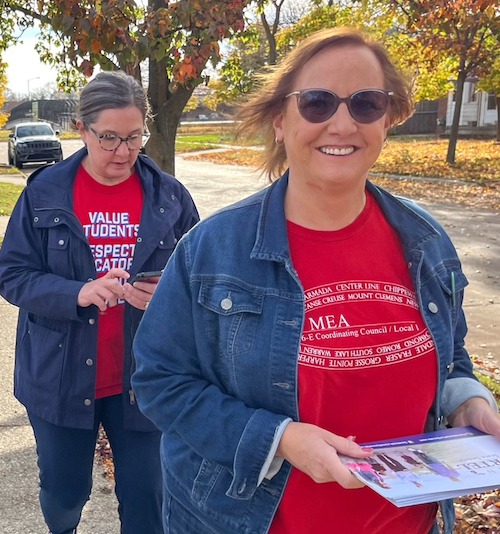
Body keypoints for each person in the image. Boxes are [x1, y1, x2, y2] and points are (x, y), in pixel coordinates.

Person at [131, 28, 500, 534]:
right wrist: (278, 438)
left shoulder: (425, 240)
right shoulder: (211, 251)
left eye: (366, 104)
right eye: (317, 103)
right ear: (281, 120)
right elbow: (159, 382)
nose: (342, 123)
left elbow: (451, 354)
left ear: (387, 120)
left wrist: (467, 401)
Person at [0, 71, 199, 534]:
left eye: (134, 137)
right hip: (60, 374)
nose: (123, 152)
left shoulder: (170, 197)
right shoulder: (44, 193)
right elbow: (12, 275)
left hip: (145, 378)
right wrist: (77, 293)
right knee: (64, 495)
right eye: (108, 137)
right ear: (81, 128)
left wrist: (167, 298)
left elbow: (201, 282)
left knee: (149, 501)